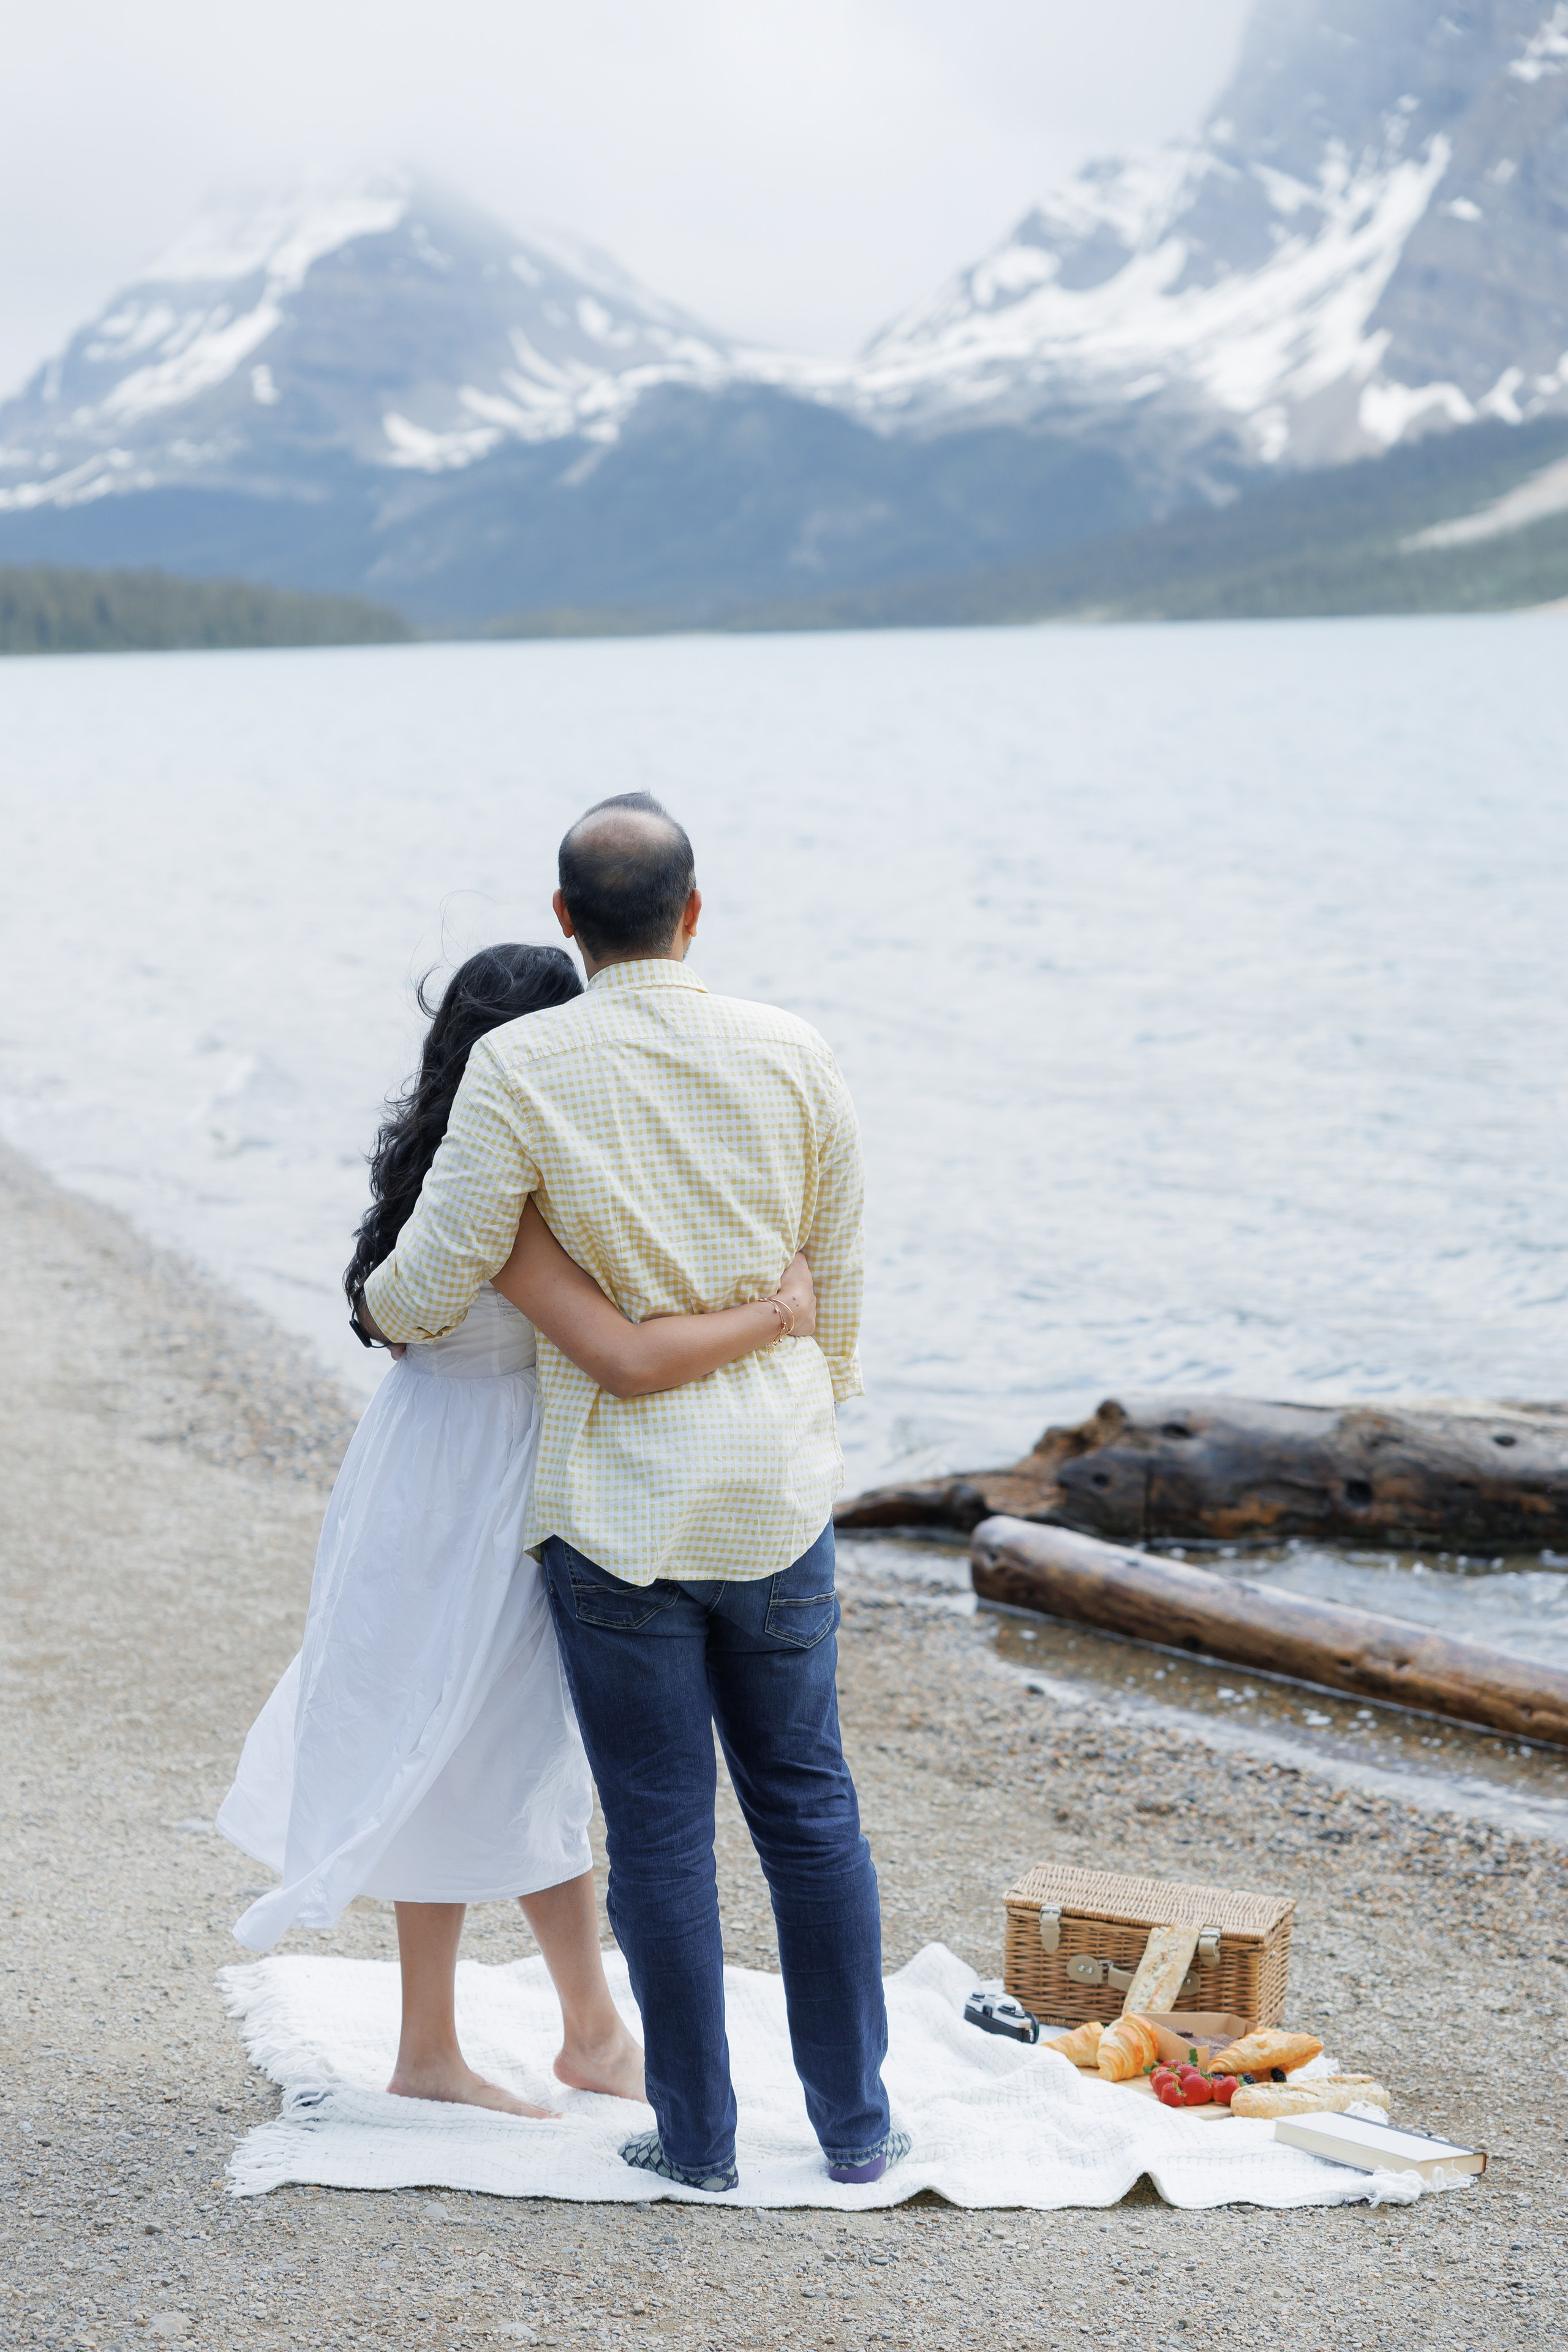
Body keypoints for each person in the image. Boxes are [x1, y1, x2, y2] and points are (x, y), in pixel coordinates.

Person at [360, 795, 905, 2191]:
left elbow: (424, 1289)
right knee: (809, 1808)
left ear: (564, 922)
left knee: (659, 1828)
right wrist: (798, 1392)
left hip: (616, 1512)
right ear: (694, 910)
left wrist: (378, 1293)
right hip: (773, 1495)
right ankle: (855, 2130)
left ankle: (699, 2140)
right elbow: (835, 1277)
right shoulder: (794, 1051)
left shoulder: (522, 1068)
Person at [217, 943, 818, 2120]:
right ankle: (467, 2046)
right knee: (474, 1748)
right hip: (495, 1485)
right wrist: (780, 1311)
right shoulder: (510, 1192)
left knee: (484, 1748)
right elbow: (626, 1355)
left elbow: (395, 1324)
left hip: (417, 1467)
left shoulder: (429, 1167)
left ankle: (573, 2030)